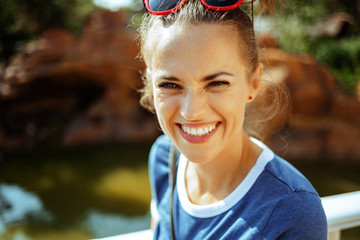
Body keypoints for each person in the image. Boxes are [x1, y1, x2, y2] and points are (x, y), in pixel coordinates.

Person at [138, 0, 328, 239]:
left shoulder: (291, 212)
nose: (191, 111)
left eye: (217, 83)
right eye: (169, 85)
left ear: (253, 83)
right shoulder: (164, 159)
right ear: (150, 83)